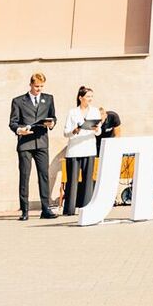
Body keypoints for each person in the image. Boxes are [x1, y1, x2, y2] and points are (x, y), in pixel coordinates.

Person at [9, 73, 57, 221]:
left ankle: (46, 208)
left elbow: (53, 117)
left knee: (43, 175)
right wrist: (19, 130)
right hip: (25, 143)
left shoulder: (48, 99)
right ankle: (24, 210)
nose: (39, 89)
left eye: (41, 86)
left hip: (42, 142)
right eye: (36, 86)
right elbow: (13, 122)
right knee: (24, 176)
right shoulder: (18, 101)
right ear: (30, 85)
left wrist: (52, 123)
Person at [61, 86, 102, 218]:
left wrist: (96, 129)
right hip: (74, 150)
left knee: (88, 180)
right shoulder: (72, 112)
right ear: (80, 97)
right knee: (72, 181)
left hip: (89, 148)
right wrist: (74, 131)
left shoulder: (95, 111)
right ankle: (69, 210)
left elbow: (99, 131)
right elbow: (66, 132)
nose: (90, 99)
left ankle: (86, 208)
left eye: (91, 96)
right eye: (88, 96)